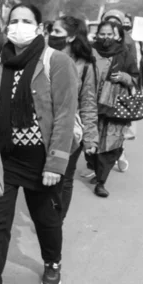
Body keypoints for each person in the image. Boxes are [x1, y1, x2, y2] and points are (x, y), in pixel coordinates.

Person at [0, 3, 78, 284]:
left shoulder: (57, 62)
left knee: (46, 219)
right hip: (4, 158)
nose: (19, 26)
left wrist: (56, 163)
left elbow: (65, 115)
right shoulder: (2, 62)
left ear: (40, 28)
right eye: (13, 21)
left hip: (41, 160)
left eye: (26, 21)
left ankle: (52, 261)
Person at [47, 16, 98, 218]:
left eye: (58, 32)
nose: (52, 35)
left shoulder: (85, 66)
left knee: (64, 178)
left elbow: (88, 102)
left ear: (71, 37)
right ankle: (46, 216)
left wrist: (91, 137)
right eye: (52, 30)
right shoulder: (43, 57)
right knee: (45, 177)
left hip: (70, 130)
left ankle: (56, 221)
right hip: (43, 127)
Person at [87, 19, 139, 198]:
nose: (106, 38)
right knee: (89, 141)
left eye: (110, 34)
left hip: (115, 106)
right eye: (102, 34)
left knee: (110, 143)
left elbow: (135, 76)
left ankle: (101, 181)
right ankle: (96, 168)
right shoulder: (89, 50)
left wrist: (124, 77)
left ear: (117, 35)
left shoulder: (124, 52)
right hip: (89, 103)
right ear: (97, 34)